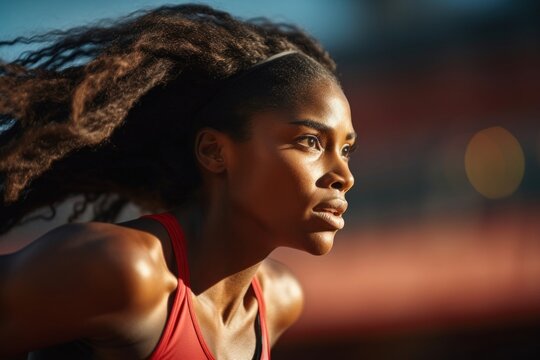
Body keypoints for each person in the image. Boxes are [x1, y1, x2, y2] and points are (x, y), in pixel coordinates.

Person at [0, 4, 356, 359]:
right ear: (214, 151)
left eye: (346, 149)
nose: (344, 177)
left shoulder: (280, 301)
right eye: (310, 141)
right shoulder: (124, 271)